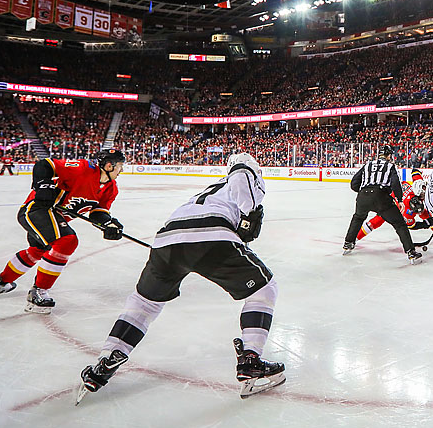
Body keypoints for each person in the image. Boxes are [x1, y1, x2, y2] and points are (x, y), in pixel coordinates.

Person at [76, 153, 284, 404]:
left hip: (166, 239)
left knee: (144, 303)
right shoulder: (246, 175)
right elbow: (241, 171)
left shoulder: (211, 189)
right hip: (211, 234)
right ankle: (251, 359)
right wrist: (253, 210)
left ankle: (108, 359)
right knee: (263, 290)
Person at [0, 149, 126, 313]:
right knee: (68, 240)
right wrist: (43, 185)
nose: (122, 170)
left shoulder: (111, 188)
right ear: (109, 165)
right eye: (120, 166)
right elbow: (45, 165)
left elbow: (99, 212)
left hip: (54, 218)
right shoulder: (83, 169)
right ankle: (38, 292)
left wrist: (108, 225)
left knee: (37, 251)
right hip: (36, 209)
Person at [343, 146, 422, 264]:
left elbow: (354, 183)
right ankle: (411, 252)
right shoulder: (390, 166)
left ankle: (348, 243)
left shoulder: (368, 164)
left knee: (358, 218)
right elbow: (396, 183)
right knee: (399, 223)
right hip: (381, 196)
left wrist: (363, 193)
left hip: (363, 196)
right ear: (389, 156)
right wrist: (400, 200)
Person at [357, 169, 433, 240]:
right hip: (388, 202)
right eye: (423, 193)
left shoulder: (419, 184)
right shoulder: (407, 210)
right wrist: (425, 224)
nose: (425, 192)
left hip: (395, 193)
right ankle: (356, 237)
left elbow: (415, 172)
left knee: (424, 213)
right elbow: (410, 225)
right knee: (377, 220)